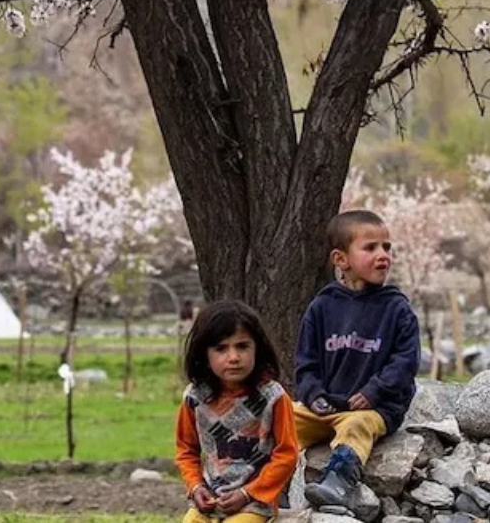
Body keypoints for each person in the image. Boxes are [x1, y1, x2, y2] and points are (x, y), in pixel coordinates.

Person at [294, 209, 421, 510]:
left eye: (386, 247)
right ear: (341, 259)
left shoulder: (396, 309)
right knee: (281, 419)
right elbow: (306, 363)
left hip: (375, 408)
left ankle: (340, 481)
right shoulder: (322, 307)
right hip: (326, 407)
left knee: (357, 426)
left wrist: (375, 390)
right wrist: (313, 395)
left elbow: (406, 362)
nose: (383, 255)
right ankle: (266, 480)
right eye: (370, 247)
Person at [175, 299, 298, 523]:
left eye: (242, 346)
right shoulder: (195, 398)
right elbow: (186, 450)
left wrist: (247, 493)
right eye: (221, 348)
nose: (233, 357)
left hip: (255, 502)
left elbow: (287, 454)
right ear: (204, 354)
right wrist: (195, 487)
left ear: (257, 348)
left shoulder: (273, 397)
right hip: (211, 500)